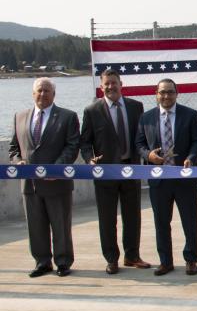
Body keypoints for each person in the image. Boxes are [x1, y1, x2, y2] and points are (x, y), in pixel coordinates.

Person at [79, 69, 151, 274]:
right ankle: (111, 258)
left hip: (131, 169)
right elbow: (85, 143)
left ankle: (132, 255)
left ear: (121, 84)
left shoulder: (136, 107)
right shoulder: (92, 111)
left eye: (114, 83)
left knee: (133, 216)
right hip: (106, 172)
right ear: (101, 87)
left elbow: (141, 137)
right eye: (106, 84)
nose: (110, 87)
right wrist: (89, 159)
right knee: (107, 218)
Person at [9, 77, 80, 277]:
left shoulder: (67, 117)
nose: (42, 94)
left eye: (47, 91)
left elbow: (72, 146)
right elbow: (14, 148)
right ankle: (42, 262)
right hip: (30, 185)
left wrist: (55, 169)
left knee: (61, 225)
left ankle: (63, 261)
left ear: (53, 94)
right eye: (39, 91)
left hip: (57, 183)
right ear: (33, 93)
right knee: (35, 226)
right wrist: (18, 162)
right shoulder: (19, 117)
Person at [135, 78, 197, 276]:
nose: (166, 96)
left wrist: (191, 157)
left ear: (177, 93)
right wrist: (148, 155)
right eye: (162, 92)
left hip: (185, 179)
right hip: (159, 180)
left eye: (170, 92)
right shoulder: (146, 118)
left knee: (190, 221)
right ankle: (165, 261)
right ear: (156, 94)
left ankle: (191, 260)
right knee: (161, 222)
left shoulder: (189, 115)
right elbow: (139, 144)